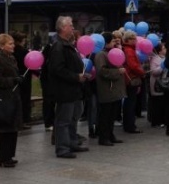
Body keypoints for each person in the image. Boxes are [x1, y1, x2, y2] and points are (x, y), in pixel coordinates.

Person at [49, 16, 88, 158]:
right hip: (65, 90)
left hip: (74, 89)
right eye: (70, 25)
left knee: (72, 119)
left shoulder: (68, 45)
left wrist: (81, 74)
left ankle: (72, 143)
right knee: (63, 121)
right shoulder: (59, 46)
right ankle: (62, 148)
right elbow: (57, 69)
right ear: (63, 28)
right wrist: (75, 76)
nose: (73, 28)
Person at [0, 34, 23, 167]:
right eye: (10, 44)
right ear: (1, 46)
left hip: (13, 96)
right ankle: (3, 157)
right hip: (3, 97)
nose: (13, 46)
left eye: (13, 43)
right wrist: (13, 80)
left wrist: (18, 78)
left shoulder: (11, 58)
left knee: (13, 128)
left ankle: (10, 155)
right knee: (3, 130)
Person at [94, 32, 126, 146]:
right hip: (107, 89)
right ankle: (103, 137)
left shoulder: (113, 52)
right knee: (105, 115)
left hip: (114, 89)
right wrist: (117, 71)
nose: (114, 43)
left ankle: (110, 135)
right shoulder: (101, 55)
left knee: (112, 114)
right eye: (112, 41)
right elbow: (102, 71)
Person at [120, 30, 145, 134]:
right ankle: (130, 125)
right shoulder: (129, 50)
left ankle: (128, 124)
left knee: (129, 102)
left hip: (129, 77)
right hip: (131, 78)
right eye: (133, 38)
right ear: (128, 40)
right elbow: (133, 65)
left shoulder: (127, 49)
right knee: (130, 103)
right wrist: (142, 72)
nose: (135, 40)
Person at [11, 31, 33, 129]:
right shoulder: (24, 52)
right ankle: (23, 121)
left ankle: (16, 120)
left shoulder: (11, 51)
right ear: (21, 41)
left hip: (14, 78)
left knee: (16, 100)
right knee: (24, 100)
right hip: (25, 78)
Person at [147, 42, 167, 127]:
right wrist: (162, 67)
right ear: (159, 51)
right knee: (156, 103)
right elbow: (154, 72)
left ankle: (162, 120)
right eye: (164, 49)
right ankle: (156, 121)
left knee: (162, 102)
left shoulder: (165, 58)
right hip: (156, 83)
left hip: (164, 83)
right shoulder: (155, 59)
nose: (166, 50)